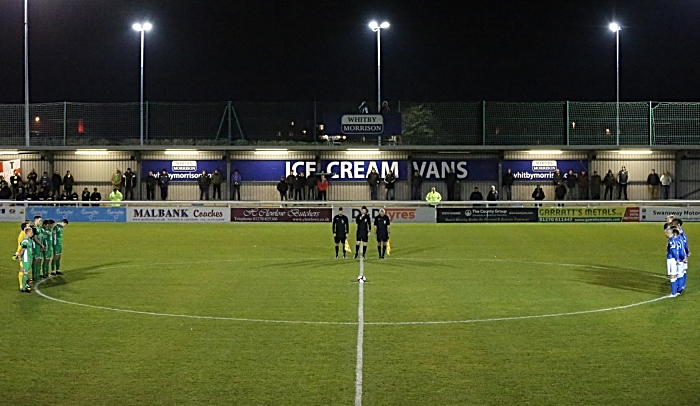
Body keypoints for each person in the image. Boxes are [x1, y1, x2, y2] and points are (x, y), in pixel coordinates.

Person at [672, 218, 689, 294]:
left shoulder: (681, 236)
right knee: (682, 271)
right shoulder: (681, 234)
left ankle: (680, 287)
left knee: (681, 271)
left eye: (673, 224)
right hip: (682, 255)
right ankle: (681, 286)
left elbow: (684, 246)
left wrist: (686, 255)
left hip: (681, 255)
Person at [666, 227, 682, 297]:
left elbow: (673, 250)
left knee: (672, 275)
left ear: (668, 233)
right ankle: (675, 291)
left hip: (671, 259)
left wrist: (676, 258)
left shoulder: (671, 240)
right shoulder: (674, 239)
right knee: (674, 274)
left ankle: (673, 293)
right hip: (673, 259)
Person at [17, 226, 34, 293]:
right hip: (26, 259)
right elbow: (23, 250)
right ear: (27, 233)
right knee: (25, 273)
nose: (32, 234)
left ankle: (25, 285)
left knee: (26, 272)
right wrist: (20, 257)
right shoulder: (25, 241)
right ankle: (23, 288)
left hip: (29, 258)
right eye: (31, 233)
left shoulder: (29, 240)